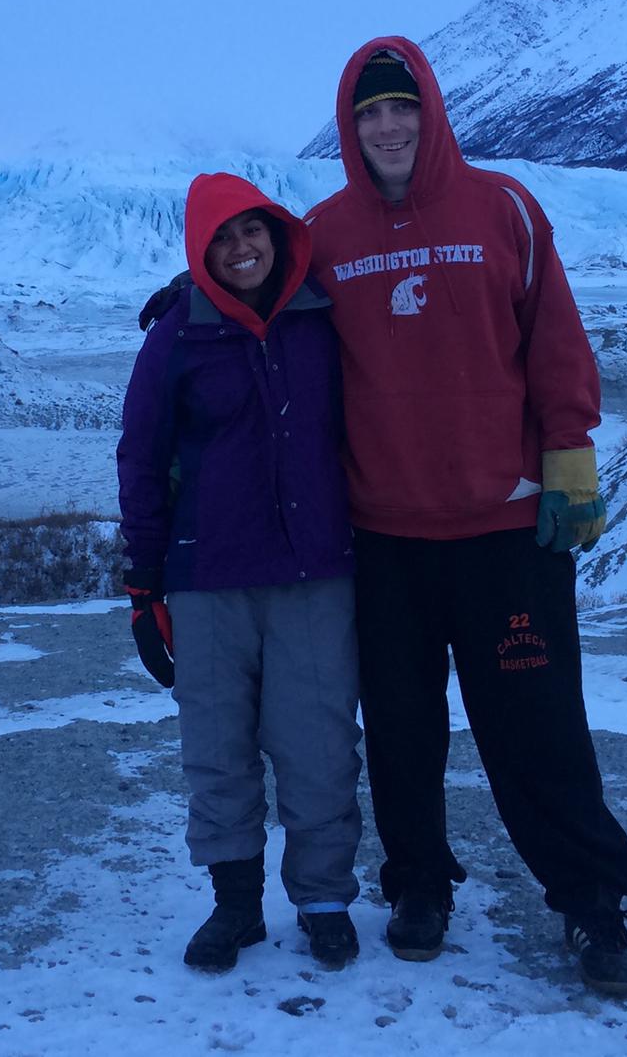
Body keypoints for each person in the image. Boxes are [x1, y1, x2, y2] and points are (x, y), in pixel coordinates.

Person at [302, 36, 627, 997]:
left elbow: (555, 337)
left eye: (400, 107)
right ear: (349, 127)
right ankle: (418, 884)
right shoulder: (325, 234)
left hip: (504, 531)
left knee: (535, 725)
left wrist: (569, 452)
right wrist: (194, 303)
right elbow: (264, 311)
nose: (387, 127)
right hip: (384, 538)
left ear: (431, 110)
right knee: (402, 729)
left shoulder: (503, 209)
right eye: (368, 113)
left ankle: (591, 900)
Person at [116, 171, 364, 974]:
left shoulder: (324, 318)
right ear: (200, 251)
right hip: (208, 579)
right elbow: (142, 460)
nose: (240, 248)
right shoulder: (175, 337)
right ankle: (236, 906)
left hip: (315, 571)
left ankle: (323, 898)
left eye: (251, 230)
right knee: (216, 749)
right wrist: (143, 588)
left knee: (318, 744)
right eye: (221, 238)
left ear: (277, 232)